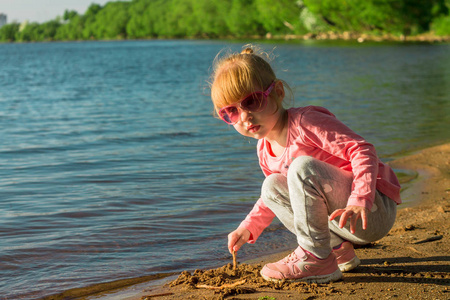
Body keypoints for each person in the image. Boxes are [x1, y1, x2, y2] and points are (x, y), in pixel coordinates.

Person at [209, 45, 402, 284]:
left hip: (371, 210)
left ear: (278, 91)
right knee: (271, 186)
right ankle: (334, 250)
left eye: (253, 101)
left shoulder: (305, 122)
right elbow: (276, 198)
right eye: (231, 112)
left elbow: (361, 149)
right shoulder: (264, 149)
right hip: (342, 224)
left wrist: (360, 199)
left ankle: (316, 258)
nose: (245, 117)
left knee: (301, 168)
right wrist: (248, 228)